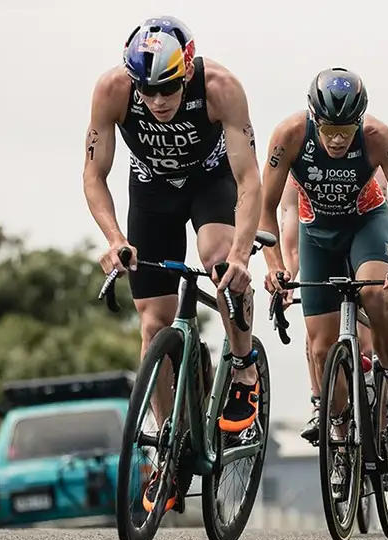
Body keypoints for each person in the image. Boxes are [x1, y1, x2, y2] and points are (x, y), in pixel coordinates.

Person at [83, 17, 263, 514]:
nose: (158, 102)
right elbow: (94, 174)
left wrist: (244, 254)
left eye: (167, 89)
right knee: (154, 321)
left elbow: (249, 180)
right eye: (147, 91)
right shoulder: (112, 91)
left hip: (211, 186)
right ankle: (169, 445)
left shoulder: (221, 88)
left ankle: (244, 371)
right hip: (152, 193)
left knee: (218, 260)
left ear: (186, 73)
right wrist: (115, 239)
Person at [260, 67, 388, 499]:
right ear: (314, 118)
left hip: (366, 227)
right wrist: (275, 265)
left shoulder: (379, 138)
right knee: (319, 347)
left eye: (345, 129)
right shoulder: (290, 135)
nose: (336, 139)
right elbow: (265, 208)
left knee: (374, 292)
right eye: (329, 129)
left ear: (360, 121)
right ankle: (338, 432)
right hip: (318, 235)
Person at [267, 170, 385, 446]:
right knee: (317, 334)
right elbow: (292, 241)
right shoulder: (296, 174)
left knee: (366, 342)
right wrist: (287, 276)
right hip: (320, 247)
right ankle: (323, 405)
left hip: (361, 248)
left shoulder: (368, 165)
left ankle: (381, 425)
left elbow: (381, 234)